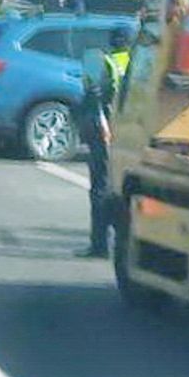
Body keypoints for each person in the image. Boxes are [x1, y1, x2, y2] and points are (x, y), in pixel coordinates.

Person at [77, 27, 132, 258]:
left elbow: (93, 96)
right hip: (132, 133)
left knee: (100, 188)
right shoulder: (138, 63)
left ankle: (99, 244)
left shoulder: (106, 63)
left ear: (113, 41)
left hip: (106, 131)